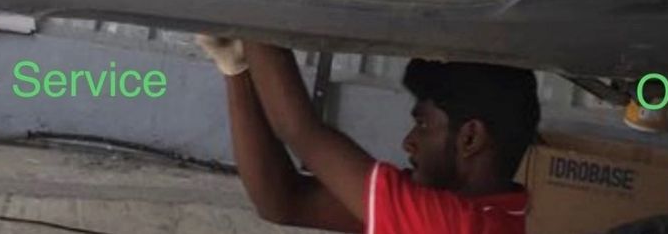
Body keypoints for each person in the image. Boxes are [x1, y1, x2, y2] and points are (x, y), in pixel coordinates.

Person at [198, 37, 541, 234]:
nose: (408, 142)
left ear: (470, 139)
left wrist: (256, 10)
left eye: (423, 125)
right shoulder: (485, 218)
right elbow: (285, 202)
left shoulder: (452, 227)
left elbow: (300, 130)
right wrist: (237, 68)